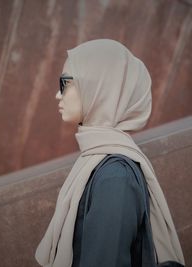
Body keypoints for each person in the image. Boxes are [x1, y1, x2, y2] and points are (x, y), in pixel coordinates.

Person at [35, 39, 185, 267]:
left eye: (65, 83)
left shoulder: (115, 177)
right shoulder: (96, 161)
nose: (58, 94)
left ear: (99, 90)